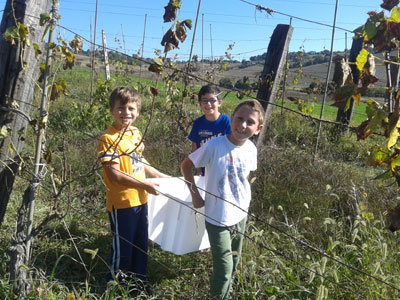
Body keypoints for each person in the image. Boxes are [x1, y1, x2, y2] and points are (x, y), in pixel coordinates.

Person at [181, 100, 264, 300]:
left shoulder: (251, 149)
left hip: (240, 213)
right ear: (231, 119)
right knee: (224, 266)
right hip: (217, 217)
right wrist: (195, 195)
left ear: (258, 128)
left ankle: (227, 294)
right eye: (239, 119)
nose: (243, 125)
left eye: (250, 122)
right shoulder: (214, 145)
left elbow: (242, 176)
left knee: (234, 263)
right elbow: (186, 166)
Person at [98, 87, 168, 285]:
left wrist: (158, 174)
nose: (126, 113)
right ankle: (117, 286)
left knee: (140, 244)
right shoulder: (108, 139)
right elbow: (115, 173)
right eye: (121, 108)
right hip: (122, 203)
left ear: (137, 112)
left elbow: (139, 160)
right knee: (124, 247)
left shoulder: (135, 133)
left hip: (140, 200)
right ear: (112, 110)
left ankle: (139, 283)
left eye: (131, 108)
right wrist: (145, 184)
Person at [188, 84, 231, 175]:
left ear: (219, 103)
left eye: (212, 100)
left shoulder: (227, 122)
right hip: (204, 172)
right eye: (204, 101)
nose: (208, 104)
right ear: (199, 104)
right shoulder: (198, 123)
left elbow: (232, 149)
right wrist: (198, 171)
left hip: (222, 171)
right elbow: (195, 149)